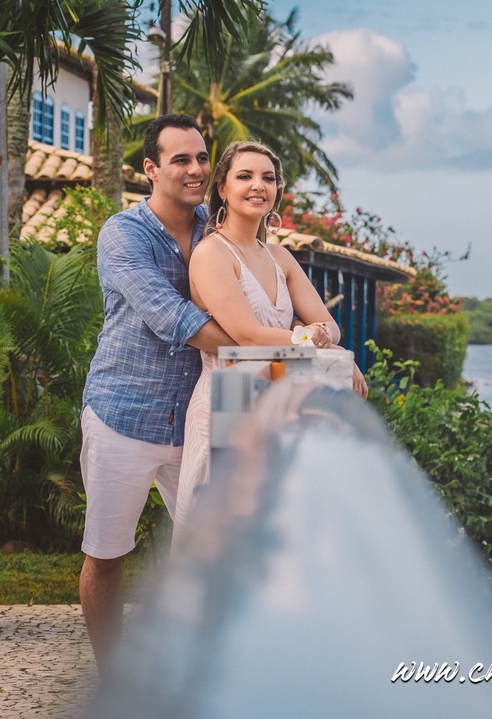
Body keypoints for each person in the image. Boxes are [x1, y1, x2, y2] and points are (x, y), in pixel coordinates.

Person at [80, 114, 237, 674]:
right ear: (151, 168)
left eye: (202, 157)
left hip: (201, 416)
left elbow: (261, 290)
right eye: (181, 159)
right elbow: (170, 315)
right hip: (123, 413)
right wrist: (268, 351)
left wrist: (314, 343)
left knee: (219, 553)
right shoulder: (123, 234)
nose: (197, 169)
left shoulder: (220, 231)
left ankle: (204, 678)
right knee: (107, 554)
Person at [174, 140, 365, 525]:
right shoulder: (212, 254)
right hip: (232, 398)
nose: (258, 186)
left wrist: (321, 337)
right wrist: (317, 345)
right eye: (245, 176)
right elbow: (247, 335)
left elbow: (331, 326)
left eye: (269, 178)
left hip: (283, 401)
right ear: (223, 188)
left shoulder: (280, 257)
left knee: (283, 528)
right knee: (229, 529)